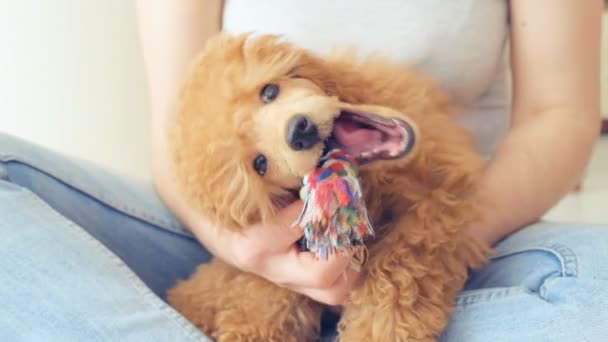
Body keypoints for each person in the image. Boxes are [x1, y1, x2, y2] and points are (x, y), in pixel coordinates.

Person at [0, 1, 606, 341]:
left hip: (458, 227)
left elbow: (561, 114)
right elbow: (178, 137)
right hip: (242, 241)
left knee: (592, 302)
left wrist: (423, 249)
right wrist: (256, 255)